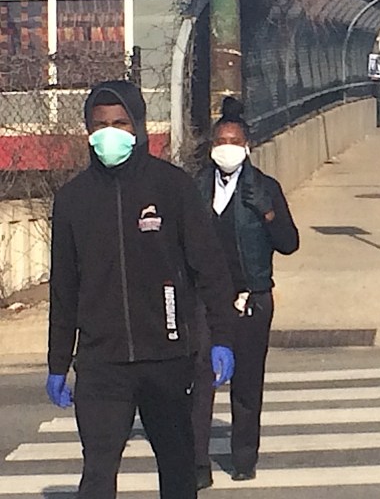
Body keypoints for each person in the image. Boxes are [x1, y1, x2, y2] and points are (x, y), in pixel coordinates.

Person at [46, 80, 237, 499]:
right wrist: (58, 362)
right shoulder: (73, 200)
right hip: (101, 364)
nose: (109, 133)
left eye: (120, 123)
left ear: (138, 126)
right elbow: (64, 288)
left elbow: (210, 268)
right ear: (88, 131)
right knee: (97, 472)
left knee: (178, 467)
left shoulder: (172, 187)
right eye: (100, 125)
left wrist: (222, 337)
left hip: (166, 358)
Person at [193, 97, 299, 489]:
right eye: (221, 141)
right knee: (200, 382)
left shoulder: (264, 188)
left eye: (234, 142)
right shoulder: (196, 187)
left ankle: (243, 458)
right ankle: (197, 464)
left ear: (247, 147)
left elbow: (289, 243)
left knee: (247, 382)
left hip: (251, 298)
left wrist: (267, 213)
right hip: (206, 300)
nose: (227, 148)